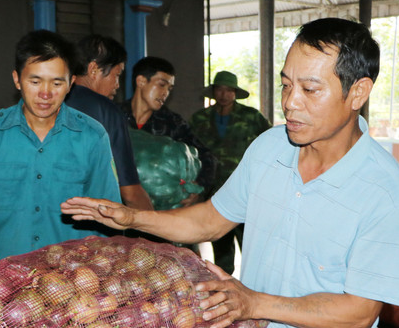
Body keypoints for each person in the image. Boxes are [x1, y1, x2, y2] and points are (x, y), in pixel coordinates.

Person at [62, 18, 399, 328]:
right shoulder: (270, 148)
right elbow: (211, 220)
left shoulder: (384, 190)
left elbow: (359, 311)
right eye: (286, 85)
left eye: (311, 90)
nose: (290, 103)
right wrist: (135, 217)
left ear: (358, 92)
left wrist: (252, 303)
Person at [0, 29, 121, 259]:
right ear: (17, 79)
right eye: (35, 81)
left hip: (70, 283)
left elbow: (107, 216)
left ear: (71, 84)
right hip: (1, 281)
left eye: (57, 83)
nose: (45, 93)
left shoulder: (92, 137)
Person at [190, 71, 270, 274]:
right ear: (214, 91)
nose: (224, 94)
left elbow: (272, 144)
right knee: (221, 247)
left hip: (248, 192)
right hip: (216, 193)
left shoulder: (251, 117)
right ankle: (225, 290)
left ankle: (256, 291)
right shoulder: (199, 118)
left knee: (254, 247)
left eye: (229, 90)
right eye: (220, 89)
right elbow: (188, 151)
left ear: (235, 93)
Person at [64, 35, 153, 211]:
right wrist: (156, 228)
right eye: (117, 74)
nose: (117, 85)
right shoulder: (106, 110)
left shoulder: (50, 102)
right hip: (91, 220)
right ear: (93, 69)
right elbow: (130, 192)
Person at [120, 56, 216, 206]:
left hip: (157, 212)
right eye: (161, 85)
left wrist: (198, 188)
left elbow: (208, 157)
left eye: (169, 88)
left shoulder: (172, 123)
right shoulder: (115, 117)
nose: (165, 93)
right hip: (119, 204)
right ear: (141, 81)